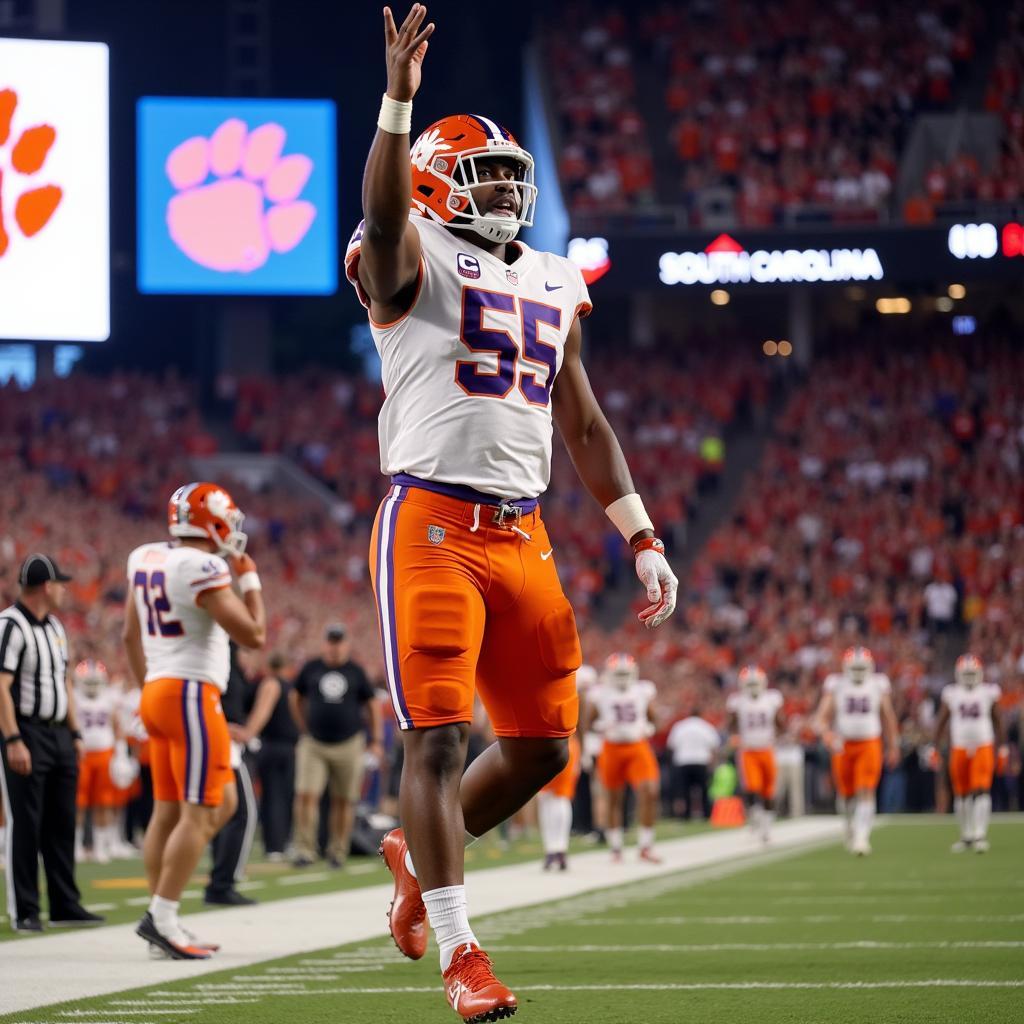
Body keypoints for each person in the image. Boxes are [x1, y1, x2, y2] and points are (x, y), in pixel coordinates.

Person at [349, 7, 678, 1019]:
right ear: (438, 185)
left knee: (540, 746)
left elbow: (578, 416)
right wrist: (398, 103)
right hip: (431, 525)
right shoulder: (408, 257)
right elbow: (387, 215)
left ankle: (416, 850)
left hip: (521, 530)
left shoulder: (549, 274)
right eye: (485, 177)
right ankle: (460, 952)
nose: (506, 191)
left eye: (509, 176)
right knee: (437, 743)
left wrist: (639, 530)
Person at [123, 482, 265, 959]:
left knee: (189, 808)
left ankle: (163, 915)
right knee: (201, 811)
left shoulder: (145, 557)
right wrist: (251, 581)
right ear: (214, 522)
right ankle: (161, 918)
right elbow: (254, 634)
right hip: (189, 693)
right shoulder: (202, 566)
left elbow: (129, 635)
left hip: (159, 691)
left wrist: (150, 685)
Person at [0, 554, 103, 932]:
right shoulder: (10, 626)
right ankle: (25, 908)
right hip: (26, 731)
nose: (64, 590)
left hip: (59, 733)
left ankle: (65, 903)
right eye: (60, 583)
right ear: (46, 587)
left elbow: (65, 683)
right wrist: (12, 738)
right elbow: (0, 687)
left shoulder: (56, 627)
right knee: (26, 821)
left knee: (61, 821)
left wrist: (75, 732)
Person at [290, 624, 382, 869]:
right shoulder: (311, 668)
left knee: (344, 799)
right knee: (306, 795)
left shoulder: (356, 671)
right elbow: (296, 698)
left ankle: (337, 851)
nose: (335, 646)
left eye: (339, 642)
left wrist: (375, 740)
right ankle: (304, 850)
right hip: (314, 742)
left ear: (346, 644)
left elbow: (372, 705)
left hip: (349, 743)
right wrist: (304, 727)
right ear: (324, 644)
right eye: (331, 641)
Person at [814, 646, 899, 856]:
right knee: (845, 795)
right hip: (843, 745)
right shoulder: (837, 685)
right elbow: (821, 718)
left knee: (866, 789)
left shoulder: (877, 684)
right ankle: (851, 827)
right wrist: (827, 735)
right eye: (855, 667)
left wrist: (893, 745)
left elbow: (887, 716)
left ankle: (862, 837)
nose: (859, 672)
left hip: (869, 742)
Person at [585, 654, 661, 863]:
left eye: (625, 673)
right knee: (613, 798)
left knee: (649, 791)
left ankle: (645, 845)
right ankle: (616, 847)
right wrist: (598, 729)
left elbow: (655, 717)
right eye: (618, 674)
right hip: (611, 748)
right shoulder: (599, 694)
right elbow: (589, 721)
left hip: (638, 746)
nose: (622, 678)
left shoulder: (643, 690)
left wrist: (650, 726)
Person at [933, 654, 1008, 853]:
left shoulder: (988, 692)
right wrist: (934, 746)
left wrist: (1003, 747)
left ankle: (980, 834)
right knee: (962, 793)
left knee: (981, 789)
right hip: (959, 747)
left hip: (983, 745)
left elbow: (998, 720)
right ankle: (967, 835)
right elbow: (941, 721)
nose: (968, 677)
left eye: (971, 673)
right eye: (965, 674)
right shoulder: (952, 693)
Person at [204, 645, 259, 906]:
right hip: (222, 743)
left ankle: (219, 880)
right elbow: (207, 696)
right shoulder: (221, 657)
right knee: (242, 813)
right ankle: (223, 882)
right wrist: (223, 726)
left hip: (221, 741)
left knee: (225, 812)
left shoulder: (231, 664)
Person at [725, 665, 785, 843]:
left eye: (755, 683)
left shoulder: (772, 699)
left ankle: (766, 828)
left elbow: (779, 722)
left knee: (768, 791)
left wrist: (781, 733)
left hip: (767, 748)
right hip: (748, 750)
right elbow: (732, 724)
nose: (752, 688)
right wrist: (734, 736)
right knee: (752, 788)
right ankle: (756, 818)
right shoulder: (737, 701)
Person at [73, 659, 125, 864]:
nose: (93, 686)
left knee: (103, 802)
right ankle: (76, 846)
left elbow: (117, 726)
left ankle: (101, 846)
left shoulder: (109, 698)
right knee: (78, 804)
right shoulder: (74, 697)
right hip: (82, 755)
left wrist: (121, 754)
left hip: (105, 754)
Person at [250, 653, 298, 861]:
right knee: (281, 796)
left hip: (276, 746)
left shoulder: (273, 684)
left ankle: (276, 844)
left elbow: (262, 713)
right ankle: (280, 843)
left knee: (276, 796)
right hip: (284, 746)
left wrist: (248, 732)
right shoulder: (287, 687)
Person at [665, 708, 720, 820]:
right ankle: (706, 814)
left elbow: (671, 745)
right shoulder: (705, 726)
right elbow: (714, 745)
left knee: (685, 790)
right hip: (701, 760)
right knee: (704, 790)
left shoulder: (680, 726)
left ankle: (686, 815)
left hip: (683, 761)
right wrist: (713, 763)